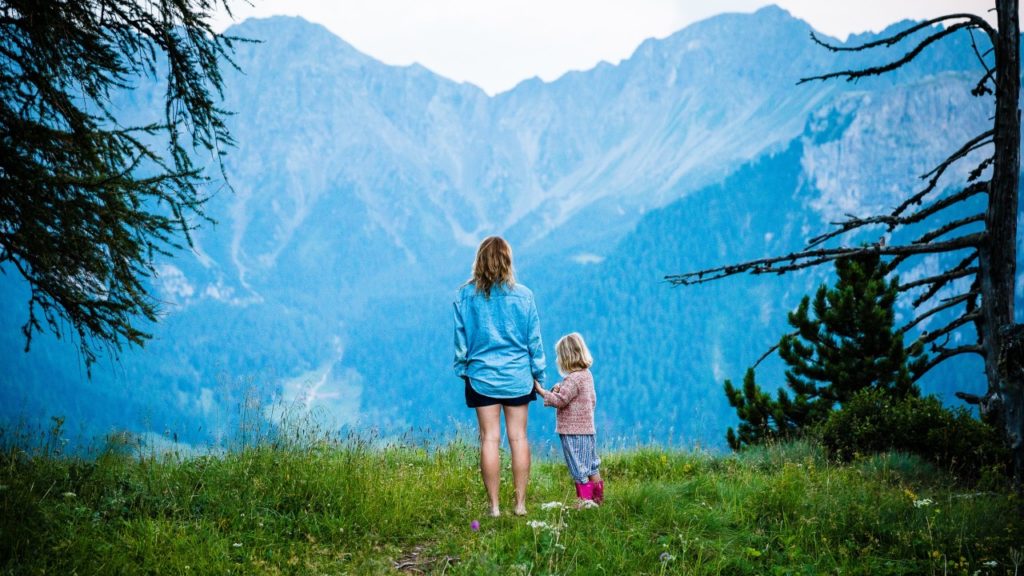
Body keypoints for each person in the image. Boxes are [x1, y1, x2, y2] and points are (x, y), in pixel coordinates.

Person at [453, 236, 546, 517]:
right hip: (518, 377)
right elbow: (534, 341)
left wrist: (463, 369)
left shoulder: (463, 296)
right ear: (508, 260)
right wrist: (538, 375)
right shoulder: (524, 296)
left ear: (479, 261)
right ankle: (519, 505)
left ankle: (494, 507)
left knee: (489, 439)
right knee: (518, 438)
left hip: (481, 377)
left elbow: (461, 341)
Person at [534, 332, 603, 506]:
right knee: (592, 465)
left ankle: (585, 503)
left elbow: (561, 400)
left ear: (566, 357)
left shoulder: (572, 379)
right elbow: (591, 399)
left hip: (572, 432)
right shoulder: (587, 375)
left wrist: (541, 391)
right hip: (588, 429)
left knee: (578, 467)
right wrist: (560, 387)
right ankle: (598, 500)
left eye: (559, 356)